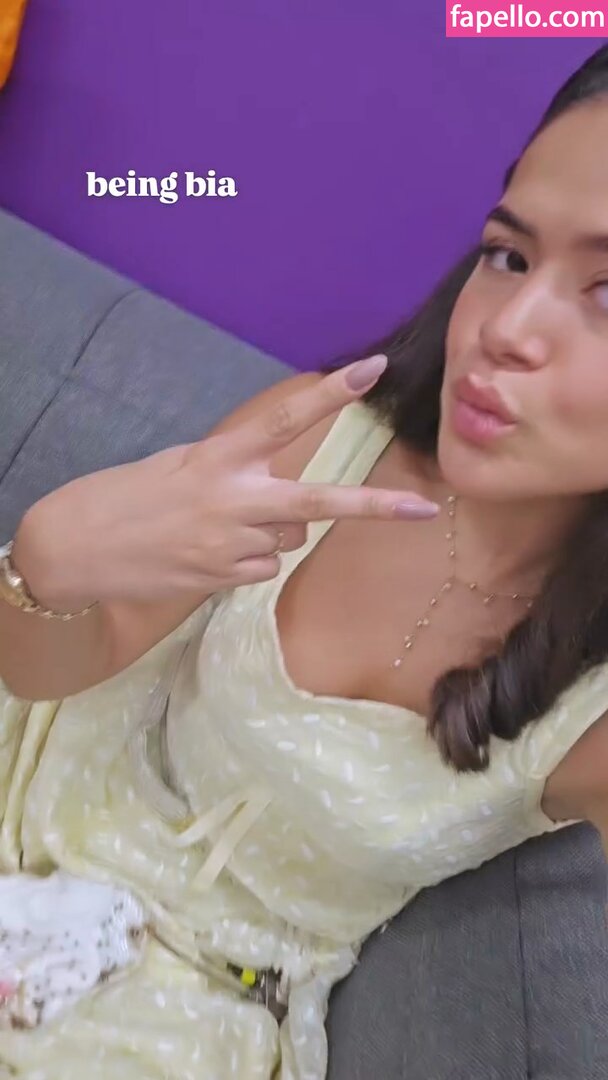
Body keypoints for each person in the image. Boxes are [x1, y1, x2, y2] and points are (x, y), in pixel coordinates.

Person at [0, 43, 608, 1080]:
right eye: (508, 256)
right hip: (35, 795)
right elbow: (49, 670)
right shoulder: (319, 438)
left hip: (182, 1018)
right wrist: (41, 572)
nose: (505, 330)